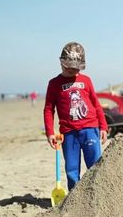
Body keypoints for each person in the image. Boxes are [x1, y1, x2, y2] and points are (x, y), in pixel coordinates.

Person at [43, 42, 108, 191]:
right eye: (70, 67)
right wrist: (50, 132)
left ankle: (97, 194)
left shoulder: (86, 80)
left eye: (76, 68)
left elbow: (96, 104)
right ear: (62, 63)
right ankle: (75, 198)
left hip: (90, 129)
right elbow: (48, 109)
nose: (74, 71)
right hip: (69, 133)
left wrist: (103, 126)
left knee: (96, 166)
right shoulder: (54, 84)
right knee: (72, 169)